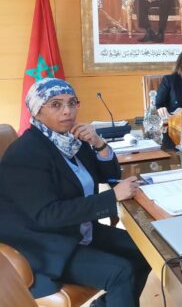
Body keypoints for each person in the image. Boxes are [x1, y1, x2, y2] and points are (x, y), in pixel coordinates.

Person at [0, 78, 149, 305]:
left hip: (77, 230)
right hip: (45, 244)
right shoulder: (25, 153)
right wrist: (111, 197)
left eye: (72, 103)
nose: (67, 111)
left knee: (146, 252)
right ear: (37, 111)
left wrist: (98, 143)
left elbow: (109, 176)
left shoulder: (70, 140)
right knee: (121, 271)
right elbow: (47, 215)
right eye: (56, 104)